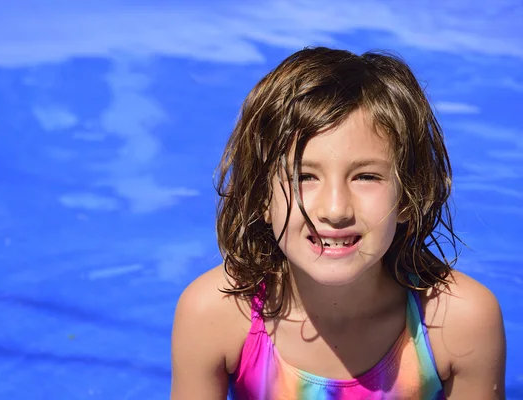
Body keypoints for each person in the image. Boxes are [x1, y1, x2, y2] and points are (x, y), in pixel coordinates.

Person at [170, 47, 506, 399]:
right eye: (304, 176)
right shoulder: (217, 314)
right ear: (262, 198)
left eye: (365, 177)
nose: (335, 209)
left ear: (409, 196)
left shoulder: (458, 322)